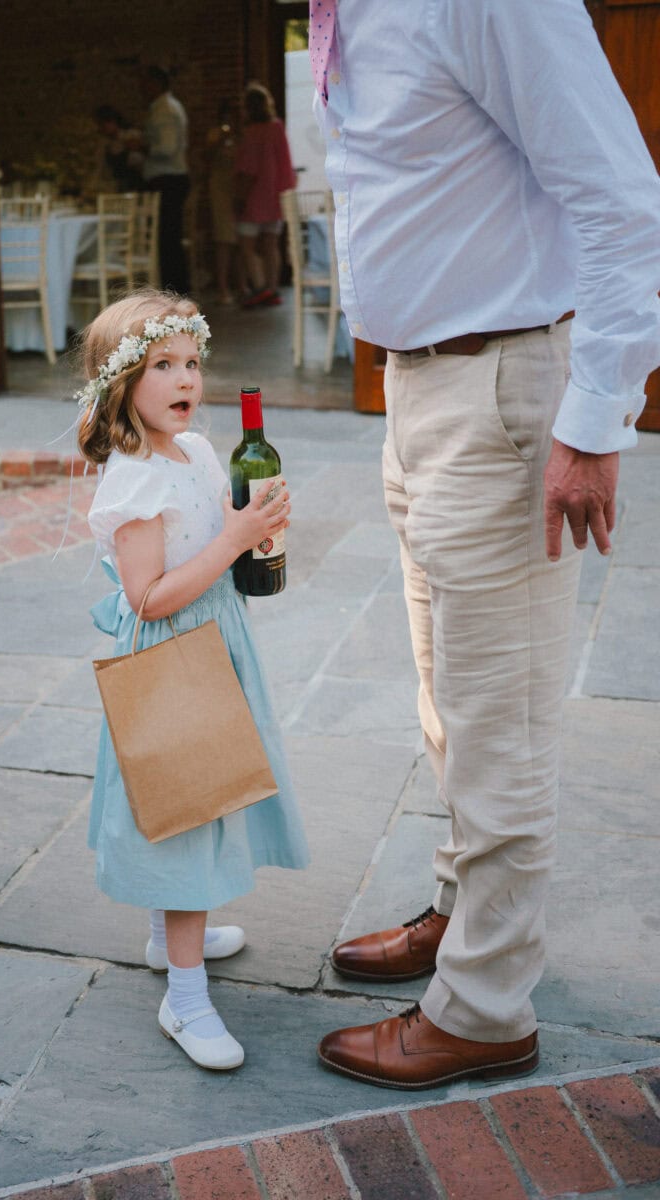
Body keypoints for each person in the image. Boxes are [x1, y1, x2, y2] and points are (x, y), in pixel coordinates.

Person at [310, 0, 660, 1090]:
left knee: (498, 716)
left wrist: (594, 421)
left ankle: (486, 1004)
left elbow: (622, 200)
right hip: (418, 384)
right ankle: (468, 917)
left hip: (502, 384)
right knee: (450, 699)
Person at [77, 290, 309, 1071]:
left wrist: (258, 528)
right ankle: (185, 997)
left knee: (192, 803)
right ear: (121, 386)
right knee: (187, 814)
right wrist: (234, 536)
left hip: (216, 645)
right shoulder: (132, 479)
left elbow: (222, 537)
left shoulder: (199, 452)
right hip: (172, 657)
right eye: (163, 366)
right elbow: (148, 594)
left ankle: (163, 935)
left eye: (192, 364)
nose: (186, 380)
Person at [234, 82, 296, 308]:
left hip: (254, 198)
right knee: (272, 245)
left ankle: (259, 288)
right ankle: (272, 287)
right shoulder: (277, 127)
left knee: (247, 246)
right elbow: (286, 162)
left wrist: (239, 197)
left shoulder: (251, 133)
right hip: (275, 196)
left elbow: (248, 170)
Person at [140, 67, 191, 294]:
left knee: (168, 240)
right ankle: (173, 289)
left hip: (168, 180)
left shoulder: (165, 110)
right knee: (167, 239)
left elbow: (167, 148)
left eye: (146, 83)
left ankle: (174, 291)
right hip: (168, 178)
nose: (142, 89)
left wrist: (142, 147)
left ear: (157, 84)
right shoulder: (165, 107)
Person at [204, 99, 242, 305]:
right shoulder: (214, 135)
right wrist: (219, 139)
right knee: (224, 239)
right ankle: (223, 287)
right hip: (220, 187)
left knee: (241, 237)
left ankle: (243, 285)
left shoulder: (241, 137)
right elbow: (206, 158)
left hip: (238, 187)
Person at [92, 105, 145, 195]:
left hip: (136, 186)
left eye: (103, 124)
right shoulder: (105, 144)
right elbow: (100, 167)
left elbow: (140, 163)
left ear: (113, 121)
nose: (101, 128)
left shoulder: (131, 136)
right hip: (117, 187)